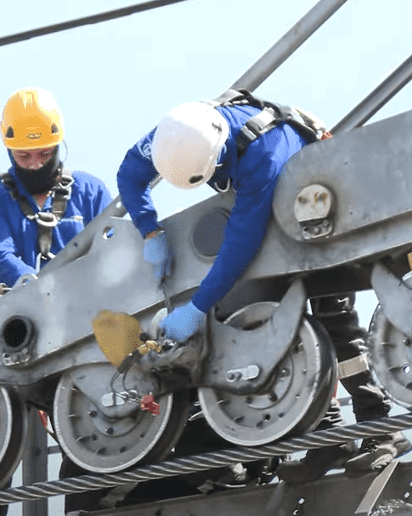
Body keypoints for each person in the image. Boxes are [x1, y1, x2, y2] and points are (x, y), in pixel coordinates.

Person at [115, 91, 409, 483]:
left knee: (333, 316)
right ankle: (328, 438)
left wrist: (197, 307)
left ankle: (378, 429)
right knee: (286, 333)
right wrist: (150, 229)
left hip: (322, 209)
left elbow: (240, 243)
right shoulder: (179, 133)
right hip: (279, 221)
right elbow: (130, 174)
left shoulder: (265, 155)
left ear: (218, 158)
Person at [0, 87, 114, 514]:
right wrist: (37, 291)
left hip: (80, 335)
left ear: (57, 146)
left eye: (43, 154)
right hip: (12, 334)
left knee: (88, 430)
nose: (34, 164)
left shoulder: (89, 192)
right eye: (24, 157)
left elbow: (114, 251)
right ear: (9, 150)